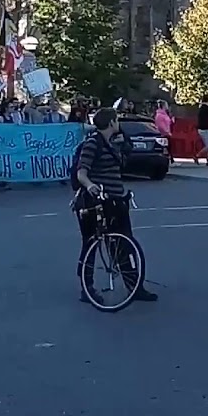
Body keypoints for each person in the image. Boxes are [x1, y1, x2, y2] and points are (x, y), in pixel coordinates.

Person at [74, 108, 157, 304]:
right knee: (90, 245)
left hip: (115, 200)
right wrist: (90, 186)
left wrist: (124, 146)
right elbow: (81, 172)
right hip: (95, 202)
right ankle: (87, 289)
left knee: (123, 244)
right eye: (117, 120)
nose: (118, 122)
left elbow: (122, 165)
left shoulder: (112, 143)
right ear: (111, 122)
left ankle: (134, 286)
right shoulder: (93, 142)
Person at [153, 100, 174, 164]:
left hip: (167, 132)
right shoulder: (160, 115)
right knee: (167, 147)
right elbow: (160, 126)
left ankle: (171, 160)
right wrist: (167, 132)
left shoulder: (164, 114)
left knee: (169, 147)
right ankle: (169, 160)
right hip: (163, 134)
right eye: (166, 105)